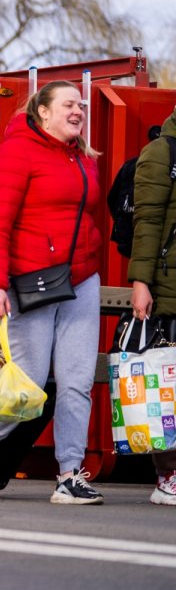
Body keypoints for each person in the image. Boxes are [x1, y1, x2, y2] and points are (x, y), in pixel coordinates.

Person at [0, 80, 104, 505]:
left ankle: (68, 474)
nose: (78, 111)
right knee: (27, 384)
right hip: (33, 280)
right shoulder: (18, 150)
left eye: (80, 105)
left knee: (77, 382)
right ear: (43, 111)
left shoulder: (83, 156)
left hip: (80, 279)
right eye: (68, 104)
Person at [123, 105, 176, 506]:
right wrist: (141, 283)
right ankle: (167, 476)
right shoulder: (162, 151)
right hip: (169, 285)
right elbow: (148, 222)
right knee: (167, 389)